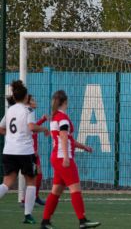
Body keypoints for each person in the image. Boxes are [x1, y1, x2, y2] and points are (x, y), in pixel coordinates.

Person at [40, 90, 101, 229]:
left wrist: (84, 146)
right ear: (65, 102)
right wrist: (67, 157)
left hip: (56, 157)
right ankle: (82, 221)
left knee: (56, 191)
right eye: (67, 102)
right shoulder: (62, 118)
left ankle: (45, 222)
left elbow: (68, 139)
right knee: (75, 189)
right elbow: (63, 136)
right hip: (63, 158)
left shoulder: (55, 118)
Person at [0, 80, 49, 224]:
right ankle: (28, 215)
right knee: (31, 181)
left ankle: (28, 214)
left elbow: (1, 128)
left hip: (9, 151)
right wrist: (44, 129)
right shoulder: (28, 110)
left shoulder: (10, 110)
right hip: (25, 152)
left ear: (14, 97)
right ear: (26, 97)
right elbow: (32, 127)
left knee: (7, 183)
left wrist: (12, 136)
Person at [11, 95, 48, 206]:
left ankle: (34, 197)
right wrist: (33, 149)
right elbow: (31, 130)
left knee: (38, 174)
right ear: (27, 102)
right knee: (31, 176)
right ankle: (24, 199)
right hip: (29, 151)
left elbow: (33, 128)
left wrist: (43, 120)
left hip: (32, 151)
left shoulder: (29, 114)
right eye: (32, 100)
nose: (35, 101)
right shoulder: (27, 112)